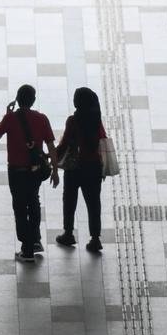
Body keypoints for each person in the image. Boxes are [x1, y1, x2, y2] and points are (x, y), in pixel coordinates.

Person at [0, 84, 58, 262]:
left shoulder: (10, 118)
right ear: (33, 100)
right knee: (33, 202)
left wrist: (7, 115)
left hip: (16, 171)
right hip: (35, 171)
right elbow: (51, 146)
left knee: (20, 207)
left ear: (17, 99)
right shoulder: (42, 118)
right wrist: (55, 171)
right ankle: (35, 240)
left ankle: (27, 249)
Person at [55, 87, 107, 253]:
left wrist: (52, 156)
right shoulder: (96, 121)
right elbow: (103, 142)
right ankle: (95, 239)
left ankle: (68, 233)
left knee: (69, 200)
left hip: (75, 167)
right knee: (94, 203)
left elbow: (64, 144)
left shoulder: (73, 120)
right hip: (94, 168)